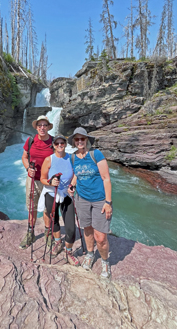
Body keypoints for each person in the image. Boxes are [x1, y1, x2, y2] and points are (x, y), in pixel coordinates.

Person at [68, 127, 113, 280]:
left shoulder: (96, 154)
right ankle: (89, 254)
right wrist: (72, 185)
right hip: (82, 199)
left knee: (100, 236)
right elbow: (77, 174)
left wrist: (108, 202)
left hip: (100, 200)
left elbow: (106, 178)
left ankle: (105, 261)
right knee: (87, 229)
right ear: (74, 142)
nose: (80, 141)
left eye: (82, 138)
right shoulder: (73, 157)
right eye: (77, 139)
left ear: (87, 140)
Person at [39, 134, 80, 266]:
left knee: (71, 228)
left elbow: (75, 175)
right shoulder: (48, 159)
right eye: (57, 144)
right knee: (54, 220)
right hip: (51, 193)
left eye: (62, 143)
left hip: (66, 195)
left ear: (65, 144)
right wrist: (51, 182)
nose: (60, 145)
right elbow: (42, 178)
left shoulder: (71, 158)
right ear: (54, 146)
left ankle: (68, 252)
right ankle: (58, 242)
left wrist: (72, 185)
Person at [20, 115, 53, 249]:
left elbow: (59, 160)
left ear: (48, 127)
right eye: (40, 125)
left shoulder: (54, 142)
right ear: (36, 127)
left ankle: (48, 234)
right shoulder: (31, 140)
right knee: (32, 207)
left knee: (47, 209)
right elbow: (24, 157)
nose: (42, 128)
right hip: (32, 179)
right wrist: (28, 168)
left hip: (47, 181)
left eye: (45, 125)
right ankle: (30, 233)